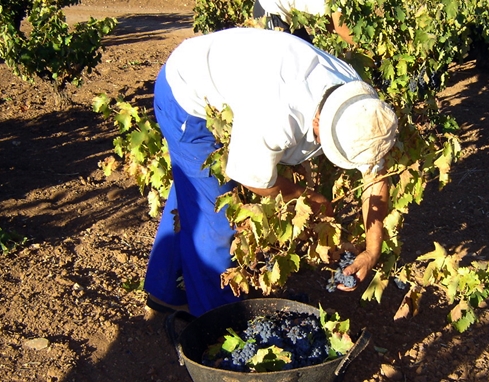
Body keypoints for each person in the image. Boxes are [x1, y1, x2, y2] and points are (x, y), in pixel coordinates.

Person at [143, 27, 397, 318]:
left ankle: (164, 291)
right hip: (186, 96)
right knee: (216, 219)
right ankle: (212, 322)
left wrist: (372, 250)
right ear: (320, 128)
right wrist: (305, 197)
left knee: (194, 191)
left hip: (231, 77)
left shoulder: (362, 106)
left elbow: (375, 176)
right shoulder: (276, 115)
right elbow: (253, 179)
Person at [253, 0, 355, 45]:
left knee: (308, 54)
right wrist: (366, 49)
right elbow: (341, 28)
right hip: (270, 11)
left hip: (288, 16)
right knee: (291, 67)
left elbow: (331, 23)